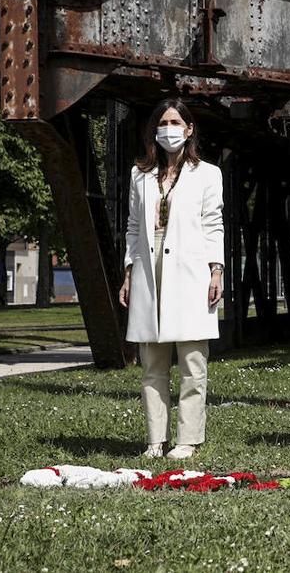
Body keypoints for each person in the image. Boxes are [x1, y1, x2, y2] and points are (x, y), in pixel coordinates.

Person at [119, 100, 224, 461]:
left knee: (193, 361)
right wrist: (129, 272)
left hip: (191, 268)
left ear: (189, 128)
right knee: (152, 362)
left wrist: (216, 269)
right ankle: (154, 440)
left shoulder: (208, 174)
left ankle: (188, 439)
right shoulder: (140, 175)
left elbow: (213, 224)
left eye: (176, 121)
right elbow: (133, 227)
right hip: (149, 265)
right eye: (162, 122)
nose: (169, 128)